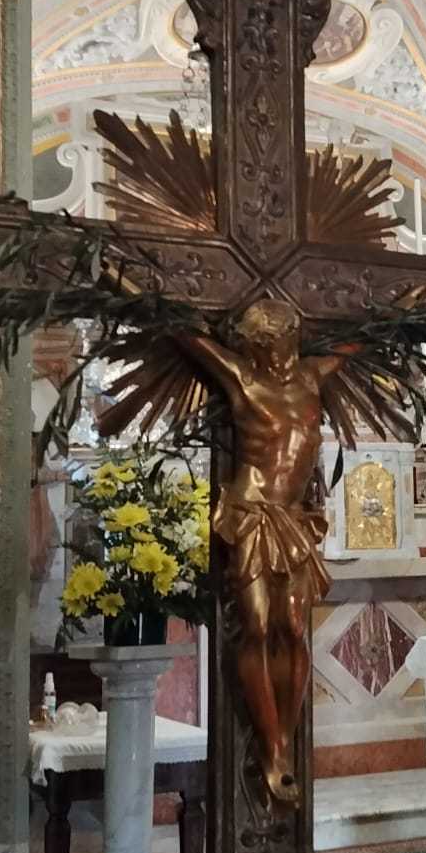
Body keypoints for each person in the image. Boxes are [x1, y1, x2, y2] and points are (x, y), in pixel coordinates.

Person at [171, 299, 355, 804]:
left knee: (292, 627)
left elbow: (364, 338)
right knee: (254, 626)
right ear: (254, 347)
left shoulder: (312, 375)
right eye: (271, 347)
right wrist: (120, 280)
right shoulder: (242, 378)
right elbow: (183, 333)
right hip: (250, 513)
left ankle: (282, 740)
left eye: (287, 344)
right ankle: (272, 746)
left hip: (292, 519)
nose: (282, 355)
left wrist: (406, 305)